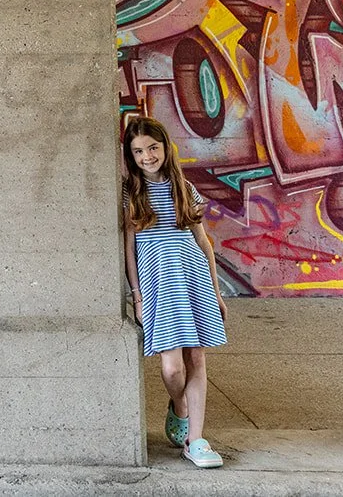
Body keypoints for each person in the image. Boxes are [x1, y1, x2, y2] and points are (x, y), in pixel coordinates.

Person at [122, 114, 227, 469]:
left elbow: (203, 242)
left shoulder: (184, 188)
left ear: (166, 147)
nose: (148, 156)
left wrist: (216, 291)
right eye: (138, 151)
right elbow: (129, 248)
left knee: (196, 357)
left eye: (153, 147)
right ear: (131, 156)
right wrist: (136, 296)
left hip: (192, 277)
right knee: (171, 368)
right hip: (157, 284)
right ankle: (180, 407)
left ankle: (195, 440)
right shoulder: (131, 193)